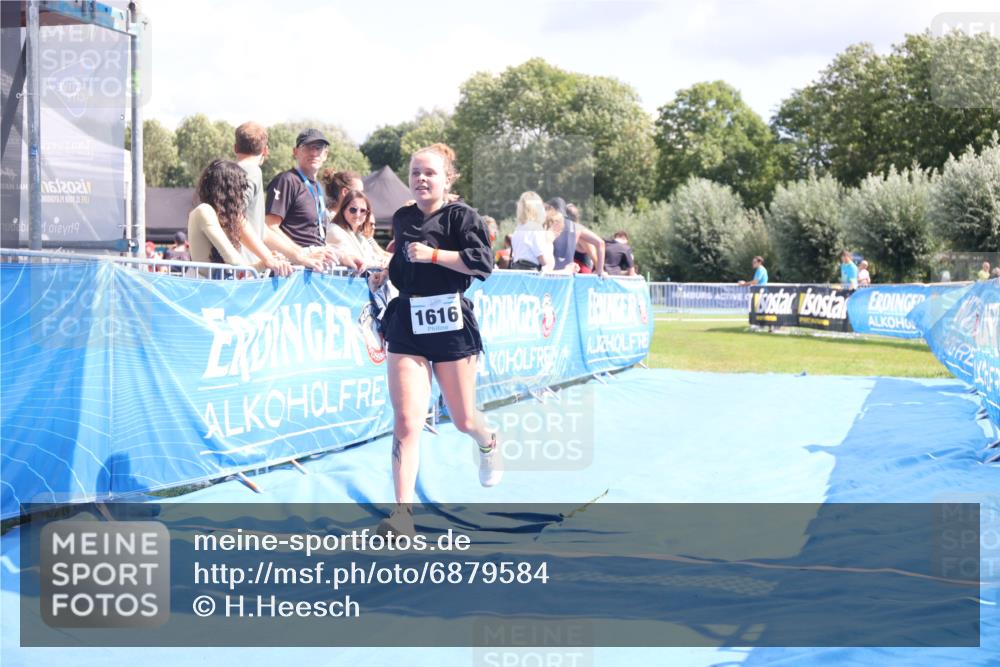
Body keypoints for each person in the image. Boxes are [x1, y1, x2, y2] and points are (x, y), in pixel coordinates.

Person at [377, 143, 501, 539]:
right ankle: (401, 517)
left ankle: (487, 439)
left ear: (448, 178)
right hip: (407, 323)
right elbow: (401, 261)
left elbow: (482, 265)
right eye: (415, 172)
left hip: (450, 322)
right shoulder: (401, 217)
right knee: (408, 421)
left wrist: (434, 256)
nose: (420, 179)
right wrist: (384, 271)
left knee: (463, 419)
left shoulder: (464, 217)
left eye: (429, 172)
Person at [264, 128, 364, 272]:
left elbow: (316, 239)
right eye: (307, 147)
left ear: (325, 154)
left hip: (314, 267)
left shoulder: (318, 187)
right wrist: (302, 254)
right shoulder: (286, 180)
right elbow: (270, 227)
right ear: (295, 152)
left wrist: (342, 257)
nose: (313, 152)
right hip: (293, 270)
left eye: (319, 148)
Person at [188, 160, 293, 278]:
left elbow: (238, 271)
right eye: (239, 189)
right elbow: (235, 262)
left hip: (213, 290)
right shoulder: (205, 211)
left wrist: (264, 263)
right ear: (228, 190)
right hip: (206, 292)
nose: (241, 196)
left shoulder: (214, 215)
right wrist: (269, 260)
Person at [234, 121, 269, 265]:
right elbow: (235, 216)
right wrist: (268, 258)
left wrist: (300, 255)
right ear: (265, 150)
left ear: (235, 148)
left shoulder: (233, 171)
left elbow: (261, 230)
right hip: (244, 268)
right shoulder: (252, 171)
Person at [510, 191, 551, 271]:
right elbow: (542, 258)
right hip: (530, 272)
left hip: (516, 270)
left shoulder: (518, 229)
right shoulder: (536, 228)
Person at [565, 203, 607, 277]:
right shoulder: (567, 231)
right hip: (572, 271)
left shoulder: (581, 234)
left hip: (582, 272)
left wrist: (600, 271)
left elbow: (599, 246)